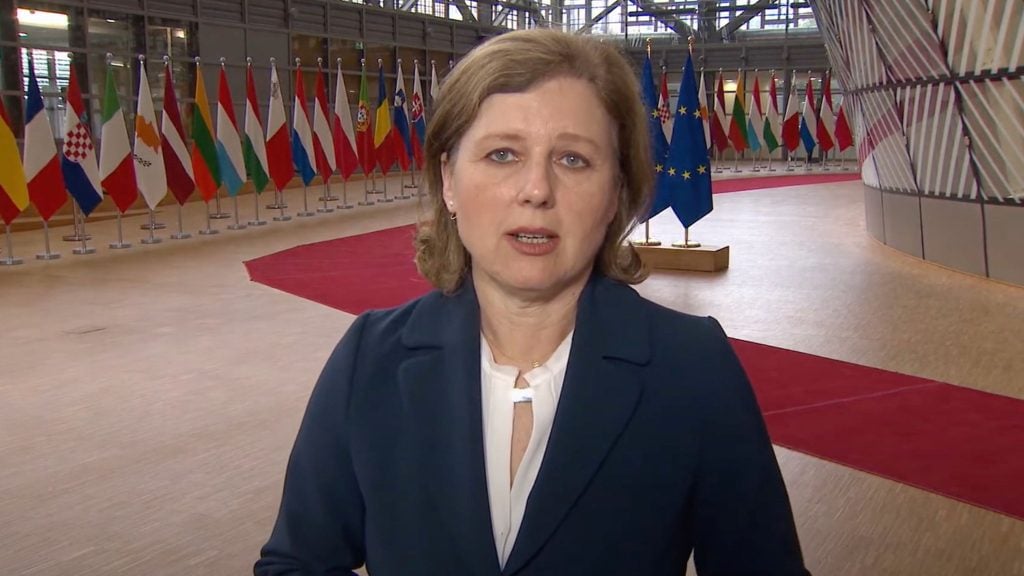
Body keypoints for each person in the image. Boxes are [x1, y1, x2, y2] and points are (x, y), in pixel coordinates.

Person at [255, 29, 809, 576]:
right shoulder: (369, 358)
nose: (536, 190)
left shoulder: (693, 368)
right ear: (448, 180)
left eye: (573, 160)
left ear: (618, 190)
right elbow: (298, 564)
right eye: (502, 154)